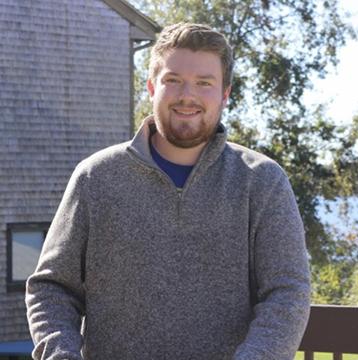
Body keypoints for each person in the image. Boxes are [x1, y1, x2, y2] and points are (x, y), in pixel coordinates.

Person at [26, 23, 311, 360]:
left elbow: (287, 293)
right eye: (173, 80)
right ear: (151, 87)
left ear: (225, 94)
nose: (187, 96)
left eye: (204, 83)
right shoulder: (96, 177)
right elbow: (52, 288)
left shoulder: (262, 181)